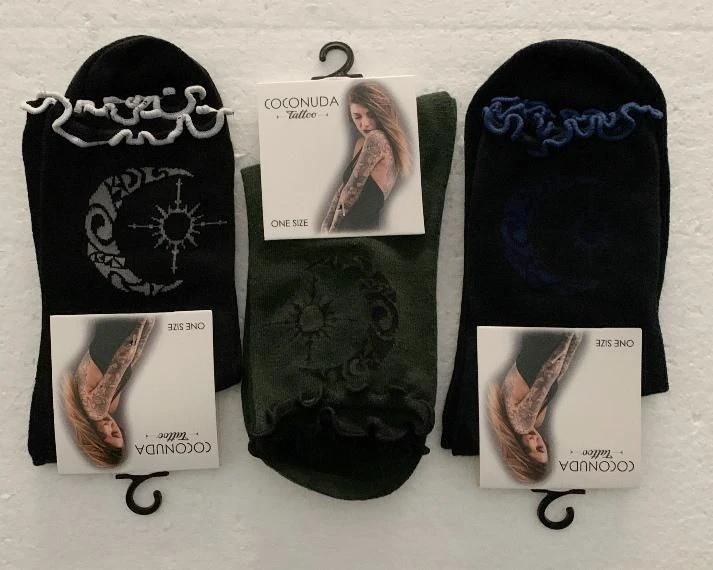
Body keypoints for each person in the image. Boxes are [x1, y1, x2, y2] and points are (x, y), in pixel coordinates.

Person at [487, 331, 582, 483]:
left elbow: (550, 372)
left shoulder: (522, 423)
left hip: (546, 341)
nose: (533, 441)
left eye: (526, 449)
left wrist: (570, 336)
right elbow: (558, 376)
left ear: (517, 450)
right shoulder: (536, 422)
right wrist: (574, 339)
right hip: (545, 342)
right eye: (540, 448)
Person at [61, 317, 155, 467]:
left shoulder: (97, 410)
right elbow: (131, 362)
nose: (108, 427)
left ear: (93, 437)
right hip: (112, 330)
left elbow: (123, 359)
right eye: (115, 433)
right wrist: (147, 324)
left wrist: (142, 321)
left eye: (102, 435)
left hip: (120, 330)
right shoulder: (109, 408)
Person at [321, 81, 412, 232]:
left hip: (357, 227)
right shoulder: (361, 143)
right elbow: (343, 188)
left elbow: (351, 190)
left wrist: (332, 231)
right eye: (357, 117)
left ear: (380, 112)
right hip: (353, 226)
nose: (365, 124)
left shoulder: (377, 139)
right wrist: (325, 225)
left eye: (371, 114)